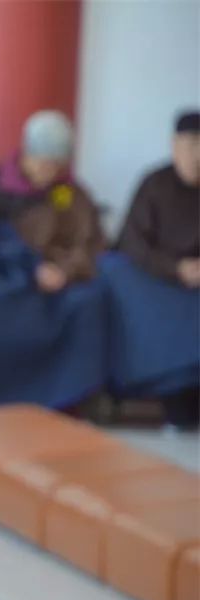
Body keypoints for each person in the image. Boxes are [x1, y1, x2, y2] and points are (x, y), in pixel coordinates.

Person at [111, 110, 200, 428]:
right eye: (191, 145)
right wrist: (175, 268)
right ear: (175, 145)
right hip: (158, 280)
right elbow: (131, 243)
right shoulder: (154, 184)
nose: (197, 155)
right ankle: (174, 404)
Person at [0, 109, 105, 292]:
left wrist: (64, 270)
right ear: (26, 153)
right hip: (6, 273)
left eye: (57, 165)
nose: (49, 173)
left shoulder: (65, 189)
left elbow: (87, 239)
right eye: (43, 164)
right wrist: (30, 267)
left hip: (58, 273)